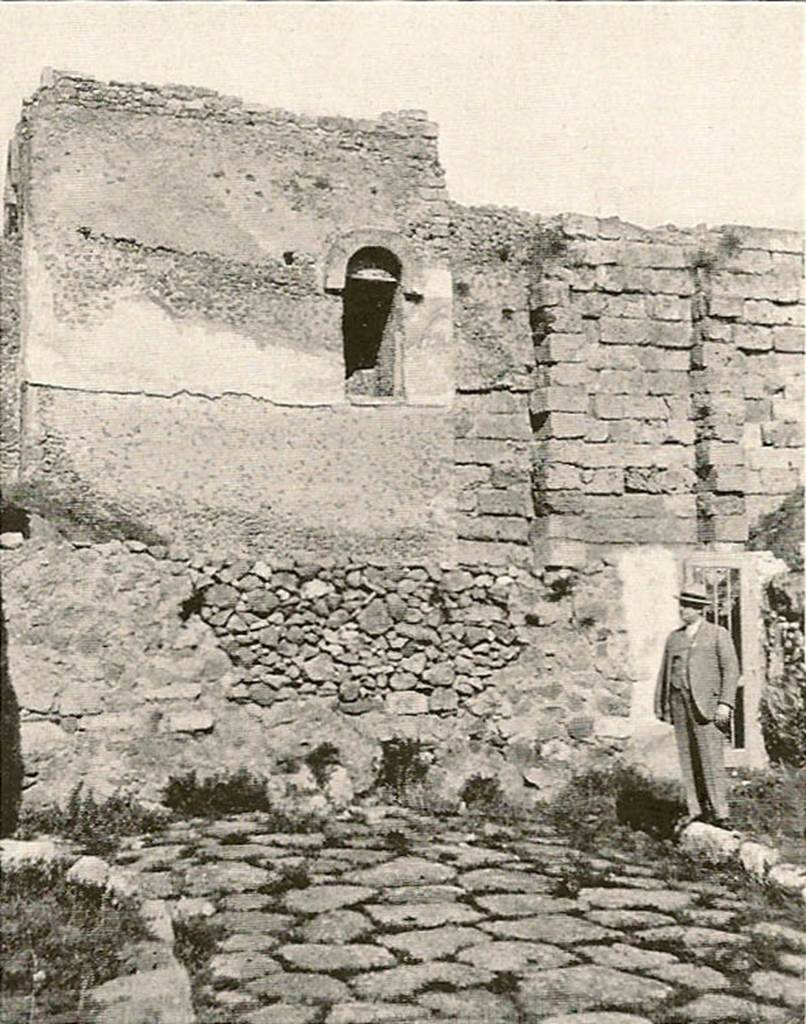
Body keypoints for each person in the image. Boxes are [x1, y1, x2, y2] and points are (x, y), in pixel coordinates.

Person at [654, 583, 740, 829]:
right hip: (679, 702)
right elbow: (665, 672)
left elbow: (731, 670)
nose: (684, 610)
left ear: (700, 609)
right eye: (682, 605)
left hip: (707, 705)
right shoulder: (674, 637)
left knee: (711, 757)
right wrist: (662, 705)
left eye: (690, 606)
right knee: (687, 756)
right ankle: (697, 809)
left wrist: (725, 703)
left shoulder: (717, 634)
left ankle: (721, 813)